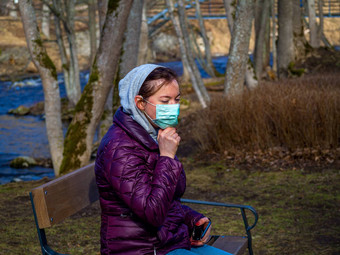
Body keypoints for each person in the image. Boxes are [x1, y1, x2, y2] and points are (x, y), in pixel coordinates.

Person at [95, 64, 231, 255]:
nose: (173, 107)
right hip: (140, 249)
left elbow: (169, 198)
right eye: (165, 101)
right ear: (140, 103)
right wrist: (167, 157)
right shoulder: (119, 148)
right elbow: (152, 213)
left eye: (176, 99)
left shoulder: (153, 134)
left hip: (167, 242)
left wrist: (191, 219)